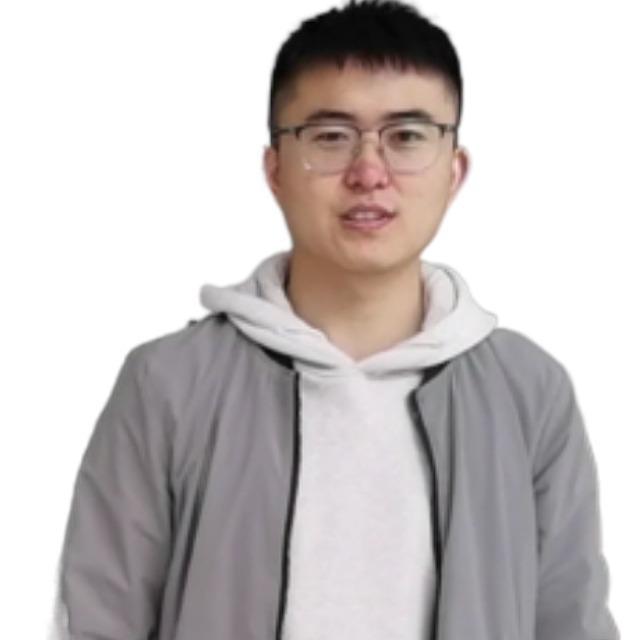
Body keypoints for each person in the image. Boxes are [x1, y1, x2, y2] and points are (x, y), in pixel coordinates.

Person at [54, 1, 619, 639]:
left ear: (454, 169)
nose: (369, 173)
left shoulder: (528, 393)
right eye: (330, 137)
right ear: (274, 169)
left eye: (406, 136)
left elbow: (572, 622)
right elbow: (98, 621)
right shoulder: (169, 384)